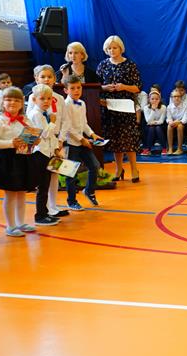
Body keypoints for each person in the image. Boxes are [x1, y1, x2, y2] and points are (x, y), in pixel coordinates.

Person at [0, 87, 37, 236]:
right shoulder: (0, 121)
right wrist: (11, 143)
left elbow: (31, 136)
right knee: (10, 194)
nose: (12, 103)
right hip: (7, 160)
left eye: (16, 100)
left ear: (22, 103)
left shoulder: (26, 120)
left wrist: (35, 140)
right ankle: (10, 226)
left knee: (21, 192)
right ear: (3, 102)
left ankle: (20, 222)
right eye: (8, 100)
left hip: (22, 158)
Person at [96, 35, 141, 182]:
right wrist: (105, 88)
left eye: (114, 47)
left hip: (126, 107)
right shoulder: (103, 65)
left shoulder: (130, 65)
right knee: (115, 139)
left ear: (121, 48)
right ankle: (118, 168)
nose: (112, 50)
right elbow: (96, 86)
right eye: (109, 48)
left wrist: (124, 87)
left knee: (128, 139)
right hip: (109, 107)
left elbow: (138, 87)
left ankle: (134, 169)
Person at [60, 76, 103, 210]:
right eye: (72, 88)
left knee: (94, 166)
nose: (76, 90)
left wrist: (92, 134)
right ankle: (71, 201)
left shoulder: (82, 103)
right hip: (70, 143)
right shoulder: (65, 105)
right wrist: (81, 139)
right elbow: (67, 127)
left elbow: (84, 123)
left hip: (82, 143)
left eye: (78, 87)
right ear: (66, 90)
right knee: (71, 173)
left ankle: (89, 191)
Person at [27, 84, 64, 227]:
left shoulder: (45, 113)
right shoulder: (36, 114)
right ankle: (40, 215)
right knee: (42, 186)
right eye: (42, 98)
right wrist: (53, 122)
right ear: (34, 100)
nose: (46, 101)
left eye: (49, 98)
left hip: (47, 152)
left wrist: (56, 149)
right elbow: (45, 134)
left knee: (46, 184)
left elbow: (51, 137)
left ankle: (45, 212)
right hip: (39, 153)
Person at [141, 88, 167, 154]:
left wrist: (154, 122)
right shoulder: (146, 108)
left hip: (161, 126)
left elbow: (161, 121)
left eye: (156, 99)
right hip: (149, 126)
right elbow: (148, 121)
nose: (154, 100)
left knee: (158, 128)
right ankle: (148, 149)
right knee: (152, 128)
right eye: (152, 99)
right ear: (149, 100)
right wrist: (153, 110)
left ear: (159, 99)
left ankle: (164, 148)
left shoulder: (163, 107)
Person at [166, 88, 187, 155]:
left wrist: (178, 122)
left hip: (182, 124)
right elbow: (168, 118)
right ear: (172, 98)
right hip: (173, 123)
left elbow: (185, 120)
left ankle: (179, 149)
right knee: (169, 126)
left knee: (179, 126)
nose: (176, 98)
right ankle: (170, 148)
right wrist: (170, 122)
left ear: (181, 98)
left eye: (178, 96)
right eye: (175, 96)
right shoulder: (169, 107)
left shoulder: (185, 106)